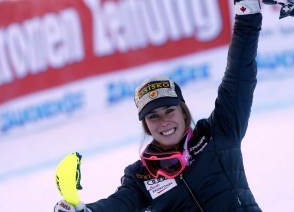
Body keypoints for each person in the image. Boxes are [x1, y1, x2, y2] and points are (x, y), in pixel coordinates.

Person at [54, 0, 262, 211]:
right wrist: (83, 209)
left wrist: (247, 15)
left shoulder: (217, 133)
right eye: (153, 116)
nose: (164, 121)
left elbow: (239, 75)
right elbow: (118, 205)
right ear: (146, 124)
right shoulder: (140, 176)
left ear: (182, 111)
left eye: (169, 110)